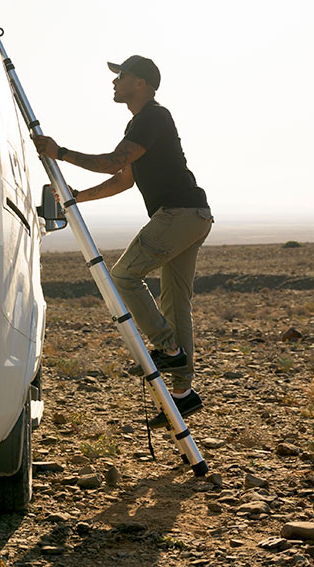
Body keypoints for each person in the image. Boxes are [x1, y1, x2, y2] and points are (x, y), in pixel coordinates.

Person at [33, 55, 213, 428]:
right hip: (193, 215)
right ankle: (182, 394)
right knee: (176, 302)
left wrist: (60, 153)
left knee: (123, 276)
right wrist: (78, 196)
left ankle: (169, 348)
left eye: (123, 76)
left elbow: (115, 162)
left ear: (141, 83)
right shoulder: (142, 123)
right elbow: (124, 179)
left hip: (179, 213)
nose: (115, 82)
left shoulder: (153, 117)